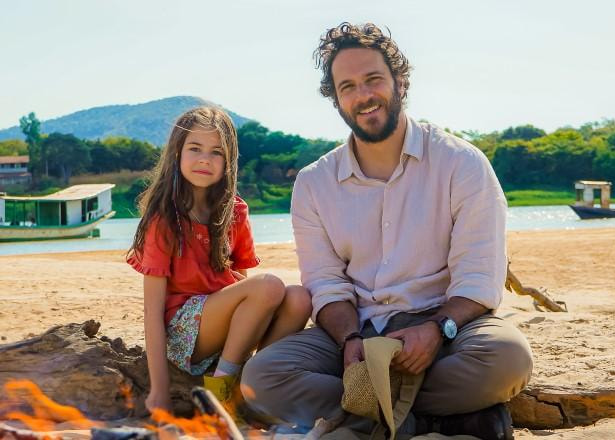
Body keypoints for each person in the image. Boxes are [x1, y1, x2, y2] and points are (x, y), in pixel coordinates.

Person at [241, 23, 533, 439]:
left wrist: (434, 329)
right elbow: (326, 283)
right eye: (348, 86)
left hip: (446, 327)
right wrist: (349, 340)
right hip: (358, 333)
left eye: (373, 79)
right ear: (337, 99)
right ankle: (436, 419)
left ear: (399, 81)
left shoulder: (461, 163)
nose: (363, 96)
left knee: (508, 359)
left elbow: (479, 276)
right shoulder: (313, 183)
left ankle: (367, 414)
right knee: (262, 379)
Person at [127, 106, 311, 413]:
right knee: (269, 286)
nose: (204, 159)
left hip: (223, 325)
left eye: (216, 152)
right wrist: (159, 390)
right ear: (177, 153)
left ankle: (254, 385)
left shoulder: (234, 211)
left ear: (228, 161)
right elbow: (152, 309)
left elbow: (246, 291)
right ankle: (222, 393)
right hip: (183, 334)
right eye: (195, 148)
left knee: (299, 299)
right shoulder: (164, 218)